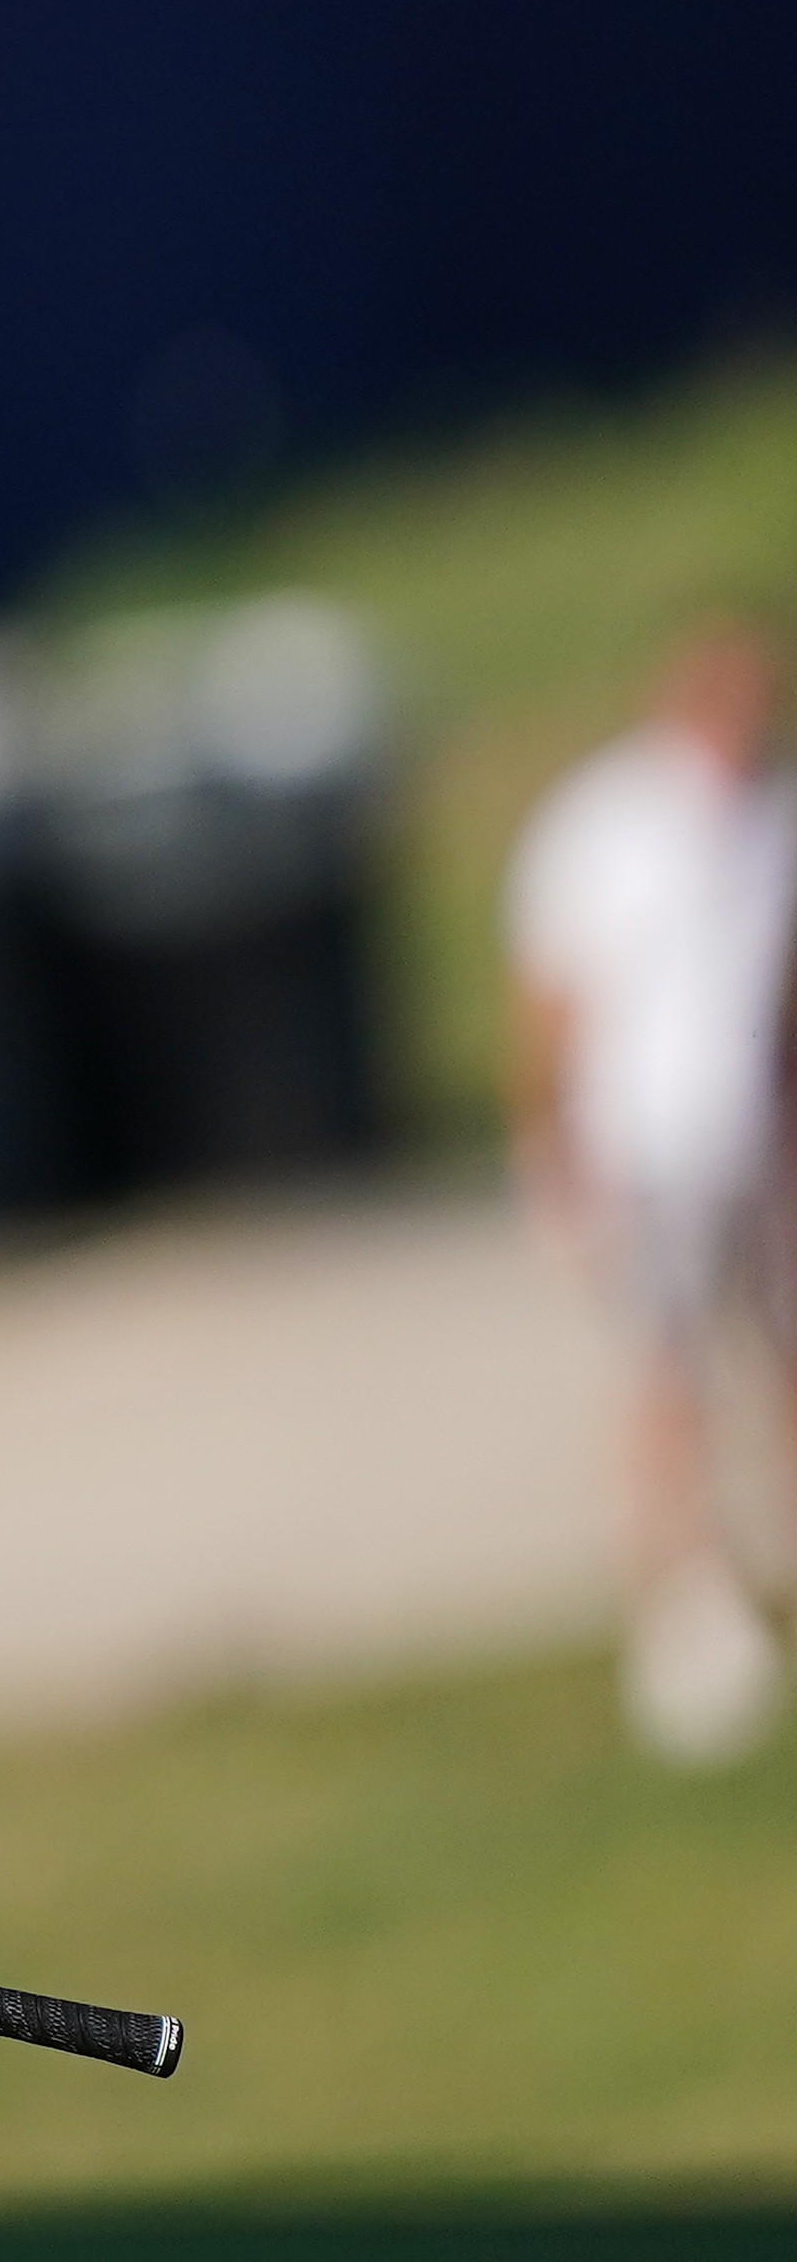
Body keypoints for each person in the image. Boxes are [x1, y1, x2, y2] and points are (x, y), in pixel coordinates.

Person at [503, 615, 797, 1766]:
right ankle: (676, 1600)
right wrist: (551, 1149)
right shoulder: (606, 825)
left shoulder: (773, 819)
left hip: (757, 1146)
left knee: (777, 1359)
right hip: (647, 1145)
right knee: (664, 1375)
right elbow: (550, 999)